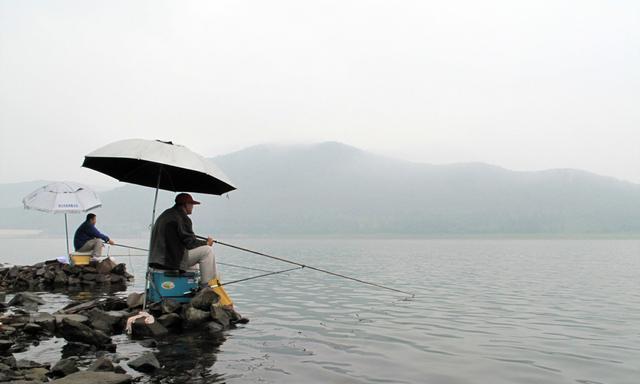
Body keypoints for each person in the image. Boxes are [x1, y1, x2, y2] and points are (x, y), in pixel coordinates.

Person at [149, 193, 217, 287]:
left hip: (156, 261)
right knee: (207, 251)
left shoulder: (166, 214)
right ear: (186, 204)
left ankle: (190, 287)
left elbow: (183, 239)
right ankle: (208, 287)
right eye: (192, 204)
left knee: (194, 266)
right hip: (169, 261)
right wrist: (207, 243)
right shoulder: (182, 217)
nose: (193, 207)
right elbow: (191, 243)